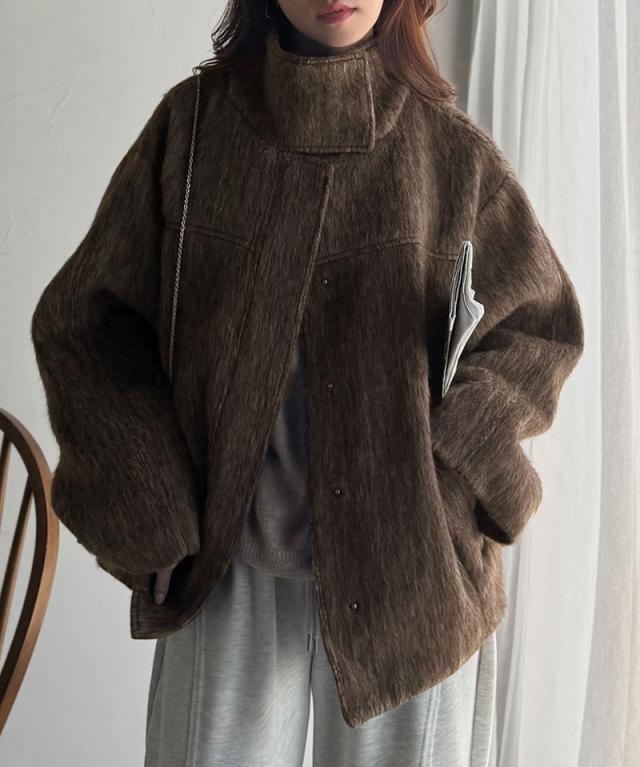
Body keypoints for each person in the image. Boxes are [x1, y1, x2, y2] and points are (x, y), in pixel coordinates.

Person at [30, 0, 584, 764]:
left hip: (413, 581)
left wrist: (452, 468)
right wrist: (149, 504)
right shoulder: (192, 133)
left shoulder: (453, 156)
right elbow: (87, 323)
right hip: (227, 571)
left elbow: (539, 329)